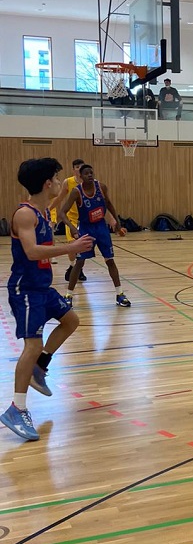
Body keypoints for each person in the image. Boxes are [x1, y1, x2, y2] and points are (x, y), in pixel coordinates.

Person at [1, 158, 93, 442]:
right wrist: (70, 247)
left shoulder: (44, 211)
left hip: (42, 287)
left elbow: (55, 210)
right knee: (32, 345)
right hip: (26, 290)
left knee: (71, 321)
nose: (59, 182)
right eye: (56, 177)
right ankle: (17, 408)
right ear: (46, 183)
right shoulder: (24, 214)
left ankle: (40, 367)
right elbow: (31, 252)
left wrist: (70, 247)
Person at [59, 164, 132, 308]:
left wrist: (117, 223)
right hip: (86, 229)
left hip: (101, 228)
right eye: (86, 173)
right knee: (79, 262)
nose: (90, 175)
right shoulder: (76, 192)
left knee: (110, 260)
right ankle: (68, 295)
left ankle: (120, 294)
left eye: (91, 172)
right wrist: (72, 228)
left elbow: (109, 204)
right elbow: (62, 213)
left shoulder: (101, 187)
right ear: (81, 176)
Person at [49, 158, 88, 282]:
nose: (79, 169)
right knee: (72, 244)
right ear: (73, 170)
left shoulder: (89, 182)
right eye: (77, 167)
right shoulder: (68, 182)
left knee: (82, 246)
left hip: (84, 219)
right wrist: (49, 209)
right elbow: (59, 198)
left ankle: (78, 269)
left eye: (81, 167)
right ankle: (72, 265)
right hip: (71, 218)